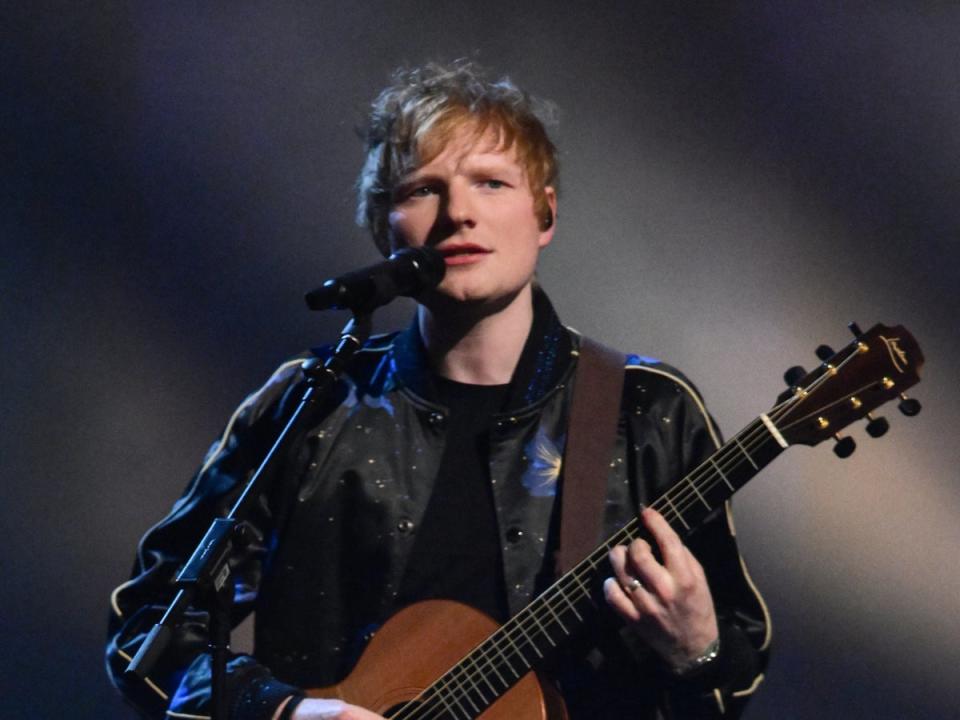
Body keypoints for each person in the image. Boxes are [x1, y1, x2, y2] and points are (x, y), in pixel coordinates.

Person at [107, 61, 769, 720]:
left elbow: (732, 673)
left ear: (545, 215)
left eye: (491, 182)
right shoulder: (313, 406)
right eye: (422, 189)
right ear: (382, 229)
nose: (459, 214)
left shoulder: (644, 410)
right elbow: (149, 632)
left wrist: (701, 651)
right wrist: (293, 715)